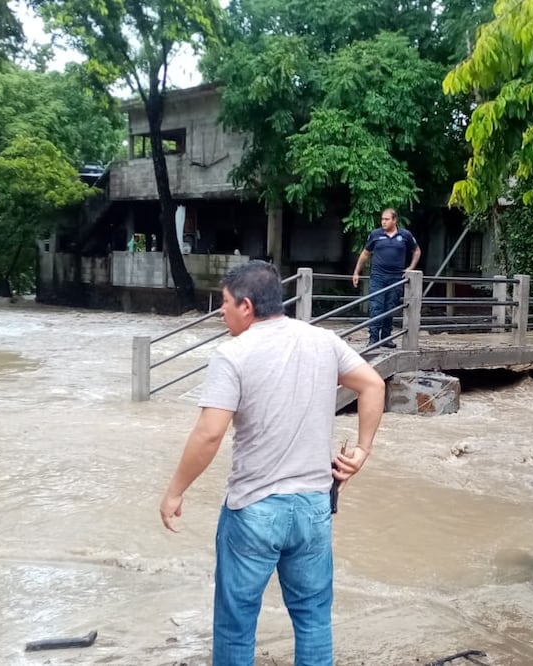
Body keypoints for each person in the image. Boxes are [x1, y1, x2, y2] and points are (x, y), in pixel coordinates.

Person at [159, 260, 386, 666]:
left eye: (225, 303)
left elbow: (209, 433)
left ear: (246, 306)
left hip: (254, 509)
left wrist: (175, 490)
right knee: (314, 618)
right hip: (314, 507)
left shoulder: (233, 354)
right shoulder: (323, 341)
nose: (221, 312)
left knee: (236, 623)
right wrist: (362, 451)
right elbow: (373, 384)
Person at [352, 208, 421, 348]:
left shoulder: (405, 235)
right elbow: (365, 254)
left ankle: (386, 338)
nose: (383, 222)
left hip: (396, 277)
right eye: (382, 219)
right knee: (376, 307)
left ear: (394, 220)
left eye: (386, 219)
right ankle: (373, 338)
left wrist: (411, 268)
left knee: (390, 308)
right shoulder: (375, 234)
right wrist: (356, 272)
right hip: (378, 276)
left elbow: (417, 251)